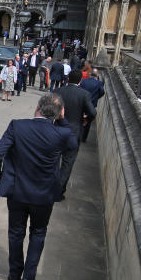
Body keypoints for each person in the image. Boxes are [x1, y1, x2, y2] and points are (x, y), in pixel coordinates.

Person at [0, 93, 76, 280]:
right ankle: (29, 277)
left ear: (38, 107)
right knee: (38, 233)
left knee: (15, 233)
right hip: (44, 194)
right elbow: (72, 144)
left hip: (18, 191)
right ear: (60, 113)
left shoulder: (17, 126)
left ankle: (14, 275)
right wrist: (62, 120)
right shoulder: (61, 133)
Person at [54, 70, 97, 199]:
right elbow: (93, 113)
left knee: (54, 161)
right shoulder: (84, 94)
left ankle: (49, 187)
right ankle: (58, 192)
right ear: (80, 81)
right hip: (74, 132)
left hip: (57, 130)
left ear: (68, 79)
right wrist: (85, 120)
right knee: (67, 163)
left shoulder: (58, 91)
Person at [79, 68, 106, 143]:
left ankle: (78, 134)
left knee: (79, 117)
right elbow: (102, 92)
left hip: (82, 102)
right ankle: (83, 138)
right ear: (97, 75)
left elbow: (80, 90)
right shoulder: (99, 83)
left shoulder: (84, 81)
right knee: (88, 120)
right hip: (92, 103)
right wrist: (96, 98)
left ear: (90, 74)